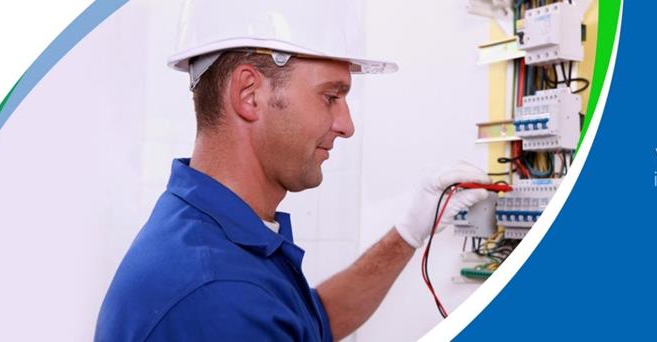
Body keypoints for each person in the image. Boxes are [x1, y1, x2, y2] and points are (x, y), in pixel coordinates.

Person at [95, 1, 490, 340]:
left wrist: (409, 231)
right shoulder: (218, 294)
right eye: (331, 96)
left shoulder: (212, 233)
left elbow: (310, 322)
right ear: (250, 94)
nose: (346, 125)